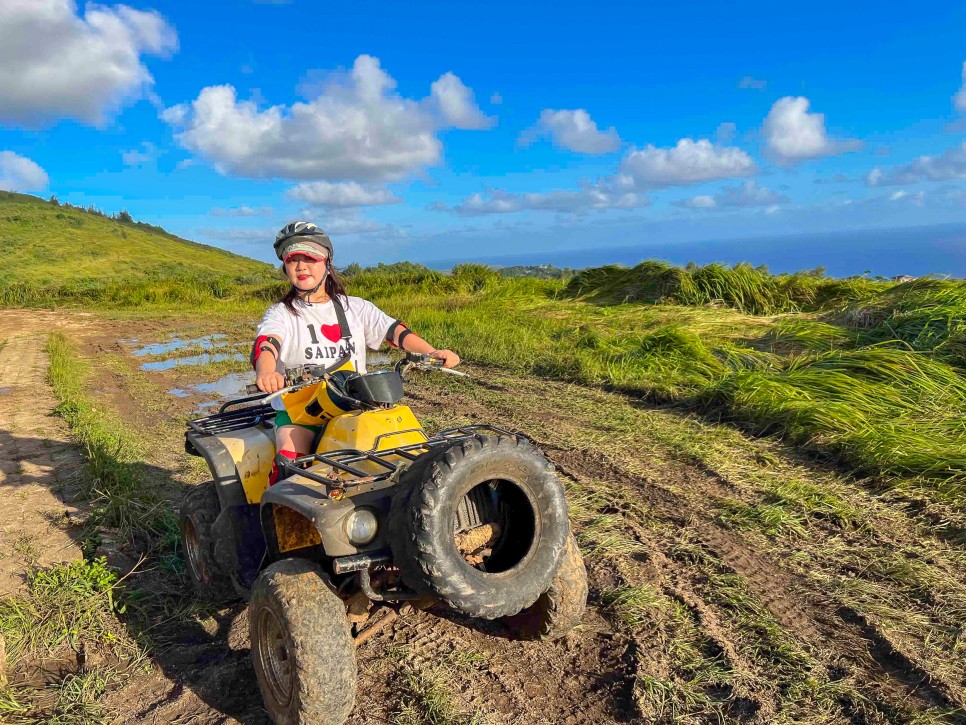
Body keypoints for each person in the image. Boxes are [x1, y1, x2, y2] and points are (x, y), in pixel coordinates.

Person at [253, 221, 460, 483]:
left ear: (327, 263)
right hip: (303, 411)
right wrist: (267, 371)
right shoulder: (281, 313)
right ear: (285, 267)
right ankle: (279, 518)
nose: (302, 266)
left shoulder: (356, 308)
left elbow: (395, 332)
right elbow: (267, 343)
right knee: (290, 462)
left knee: (411, 454)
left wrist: (431, 351)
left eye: (310, 258)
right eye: (293, 259)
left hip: (357, 404)